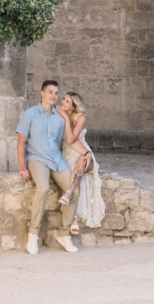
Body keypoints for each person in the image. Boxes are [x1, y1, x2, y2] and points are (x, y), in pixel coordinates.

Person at [16, 79, 79, 255]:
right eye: (50, 92)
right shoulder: (30, 114)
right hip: (37, 159)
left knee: (73, 191)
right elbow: (21, 142)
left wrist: (86, 156)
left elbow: (70, 140)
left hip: (56, 160)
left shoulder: (60, 116)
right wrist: (23, 167)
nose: (54, 96)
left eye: (56, 93)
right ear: (42, 93)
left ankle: (64, 235)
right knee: (42, 188)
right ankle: (33, 234)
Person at [58, 91, 105, 233]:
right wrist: (65, 118)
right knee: (77, 167)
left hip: (84, 154)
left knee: (82, 160)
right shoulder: (58, 115)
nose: (62, 103)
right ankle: (75, 218)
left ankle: (68, 193)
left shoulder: (80, 118)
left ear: (74, 106)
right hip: (67, 156)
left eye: (67, 102)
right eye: (63, 100)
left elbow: (72, 139)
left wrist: (67, 119)